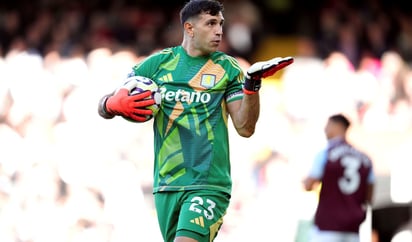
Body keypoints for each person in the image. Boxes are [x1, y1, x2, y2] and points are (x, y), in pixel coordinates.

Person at [97, 1, 293, 241]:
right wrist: (110, 104)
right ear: (189, 28)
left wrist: (251, 85)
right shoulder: (157, 64)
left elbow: (245, 127)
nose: (219, 30)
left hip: (208, 184)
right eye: (211, 24)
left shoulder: (227, 68)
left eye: (220, 24)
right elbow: (106, 104)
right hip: (166, 185)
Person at [303, 114, 375, 242]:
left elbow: (309, 185)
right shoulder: (365, 159)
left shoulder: (325, 154)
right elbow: (369, 197)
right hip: (352, 227)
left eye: (328, 125)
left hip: (327, 226)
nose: (325, 129)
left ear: (337, 126)